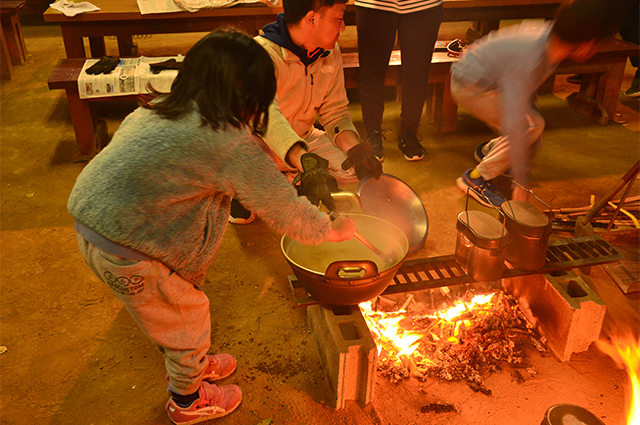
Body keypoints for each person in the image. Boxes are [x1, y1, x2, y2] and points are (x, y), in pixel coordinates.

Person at [67, 29, 356, 425]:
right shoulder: (229, 143)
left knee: (175, 312)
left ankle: (193, 362)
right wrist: (329, 228)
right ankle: (187, 401)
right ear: (245, 93)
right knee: (187, 320)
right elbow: (283, 209)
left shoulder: (164, 105)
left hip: (96, 222)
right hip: (129, 251)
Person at [450, 0, 624, 208]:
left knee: (530, 135)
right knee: (530, 127)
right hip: (471, 87)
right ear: (586, 43)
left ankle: (493, 150)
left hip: (488, 82)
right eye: (597, 42)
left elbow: (523, 94)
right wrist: (522, 182)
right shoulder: (532, 56)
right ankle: (475, 178)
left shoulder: (551, 41)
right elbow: (515, 121)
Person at [228, 0, 382, 224]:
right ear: (311, 18)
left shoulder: (330, 51)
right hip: (256, 142)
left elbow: (335, 110)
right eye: (338, 19)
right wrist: (304, 160)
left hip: (304, 136)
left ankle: (293, 176)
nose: (343, 27)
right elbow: (266, 119)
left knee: (352, 170)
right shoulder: (259, 54)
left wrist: (355, 149)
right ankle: (244, 191)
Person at [355, 0, 444, 162]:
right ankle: (372, 132)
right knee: (371, 71)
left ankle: (409, 132)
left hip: (424, 5)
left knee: (418, 73)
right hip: (374, 5)